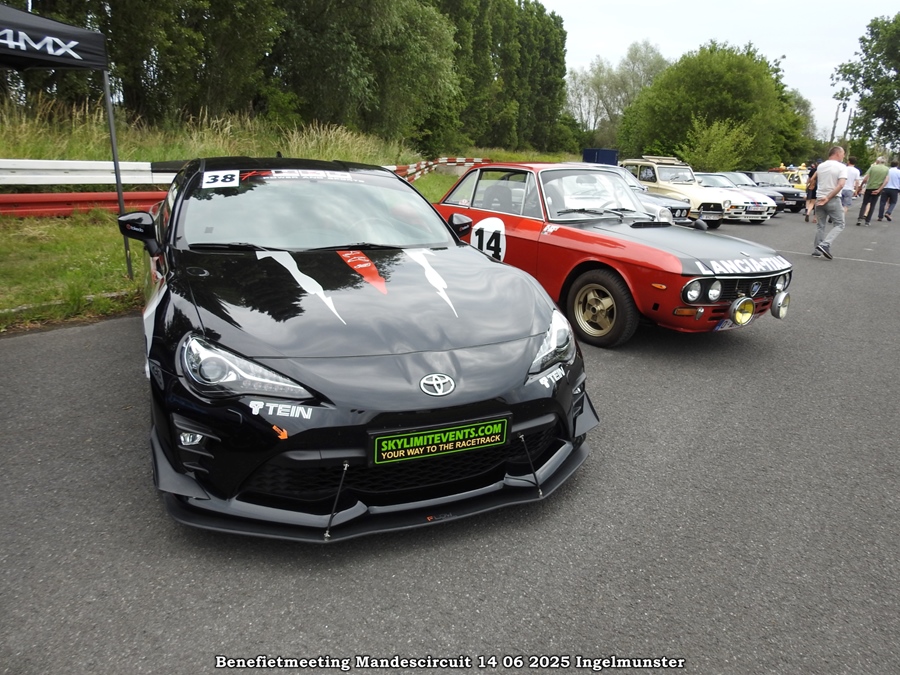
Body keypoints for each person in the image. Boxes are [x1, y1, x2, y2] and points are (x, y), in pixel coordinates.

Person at [812, 146, 848, 260]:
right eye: (843, 154)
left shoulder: (821, 166)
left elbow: (814, 179)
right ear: (837, 154)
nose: (843, 156)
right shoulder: (841, 167)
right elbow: (841, 184)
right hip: (832, 198)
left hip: (819, 197)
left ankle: (817, 250)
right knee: (840, 224)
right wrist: (828, 197)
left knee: (820, 226)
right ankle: (825, 244)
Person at [856, 157, 889, 226]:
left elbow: (865, 179)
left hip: (869, 187)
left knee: (864, 203)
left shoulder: (873, 167)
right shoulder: (887, 169)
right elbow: (886, 181)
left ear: (878, 161)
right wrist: (879, 189)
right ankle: (867, 221)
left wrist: (861, 186)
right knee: (872, 205)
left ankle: (860, 219)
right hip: (877, 188)